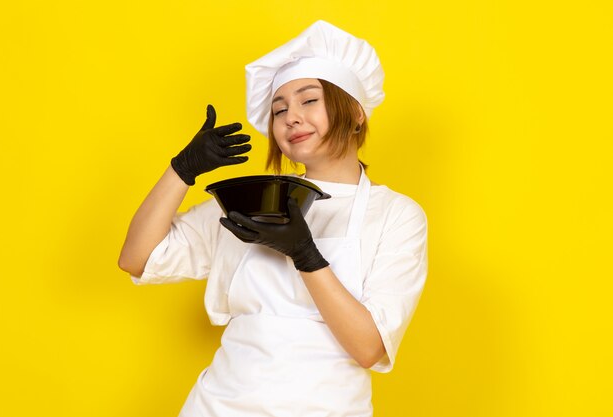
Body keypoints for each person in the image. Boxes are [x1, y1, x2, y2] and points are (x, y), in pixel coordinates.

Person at [118, 20, 428, 417]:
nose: (291, 118)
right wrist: (182, 171)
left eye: (308, 100)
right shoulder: (253, 199)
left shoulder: (396, 216)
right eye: (278, 110)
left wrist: (305, 255)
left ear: (355, 112)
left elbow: (368, 347)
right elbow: (137, 258)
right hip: (219, 407)